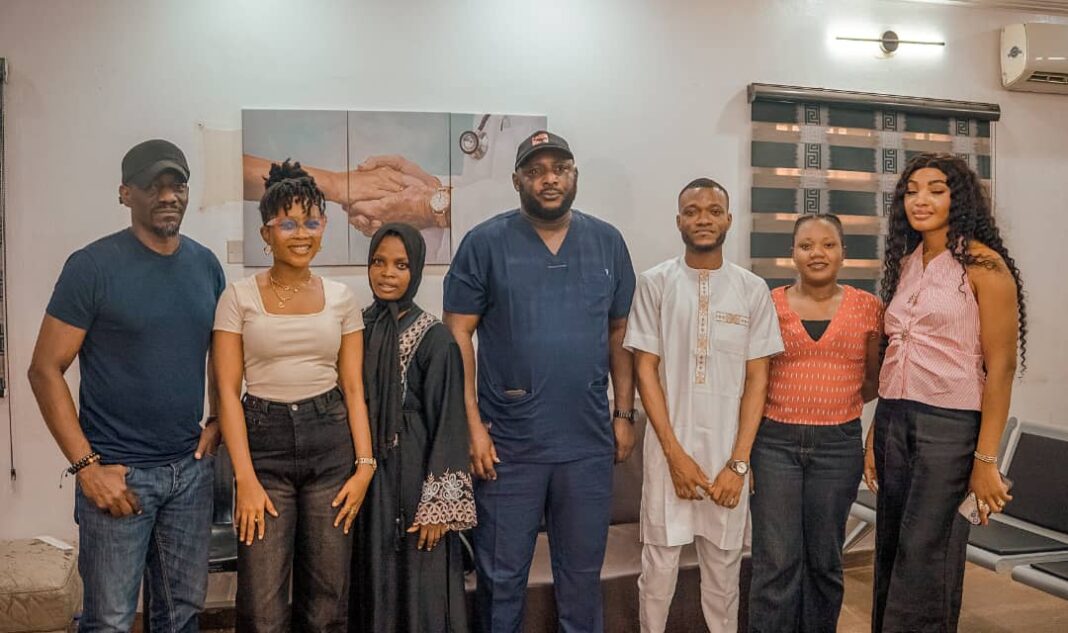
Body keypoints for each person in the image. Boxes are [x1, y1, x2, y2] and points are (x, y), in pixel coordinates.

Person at [443, 130, 637, 633]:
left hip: (587, 444)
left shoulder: (608, 242)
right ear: (516, 181)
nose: (549, 179)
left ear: (574, 175)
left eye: (560, 168)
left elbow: (619, 332)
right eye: (535, 170)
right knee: (501, 579)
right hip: (509, 446)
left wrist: (623, 413)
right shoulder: (485, 243)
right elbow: (458, 334)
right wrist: (472, 427)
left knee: (580, 578)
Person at [27, 139, 224, 632]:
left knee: (181, 618)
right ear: (125, 193)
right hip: (117, 475)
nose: (167, 196)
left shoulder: (206, 266)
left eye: (176, 184)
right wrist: (86, 468)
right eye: (153, 186)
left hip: (189, 474)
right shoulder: (92, 267)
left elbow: (222, 355)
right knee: (111, 621)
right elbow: (44, 369)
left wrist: (217, 419)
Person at [212, 160, 374, 632]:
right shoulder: (238, 297)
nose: (300, 233)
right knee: (262, 609)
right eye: (287, 223)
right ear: (267, 232)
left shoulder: (342, 299)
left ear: (323, 226)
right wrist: (245, 478)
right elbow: (226, 389)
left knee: (326, 605)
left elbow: (354, 388)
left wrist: (364, 467)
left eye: (311, 221)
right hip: (264, 449)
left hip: (331, 447)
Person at [868, 153, 1026, 632]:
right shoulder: (908, 263)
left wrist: (986, 460)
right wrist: (875, 430)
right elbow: (898, 355)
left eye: (936, 189)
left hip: (949, 427)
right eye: (912, 190)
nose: (921, 199)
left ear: (958, 197)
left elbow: (999, 370)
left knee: (926, 555)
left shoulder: (984, 265)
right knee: (892, 547)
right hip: (894, 419)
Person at [624, 178, 783, 633]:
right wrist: (674, 456)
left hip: (725, 462)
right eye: (692, 211)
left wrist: (739, 465)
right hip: (668, 455)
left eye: (713, 210)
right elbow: (644, 371)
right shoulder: (655, 283)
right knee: (657, 572)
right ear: (679, 221)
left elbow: (758, 379)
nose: (703, 219)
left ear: (728, 219)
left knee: (723, 576)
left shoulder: (752, 289)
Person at [746, 214, 883, 633]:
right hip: (774, 445)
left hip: (838, 446)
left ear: (843, 252)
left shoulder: (868, 308)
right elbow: (752, 378)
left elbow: (878, 378)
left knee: (825, 560)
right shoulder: (767, 304)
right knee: (776, 561)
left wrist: (833, 401)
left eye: (828, 244)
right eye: (806, 245)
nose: (817, 253)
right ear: (792, 253)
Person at [350, 223, 475, 633]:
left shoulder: (435, 337)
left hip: (417, 480)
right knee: (373, 581)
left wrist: (438, 505)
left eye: (401, 265)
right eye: (378, 262)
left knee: (420, 589)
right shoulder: (356, 328)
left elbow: (450, 424)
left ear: (416, 271)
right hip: (368, 481)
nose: (388, 273)